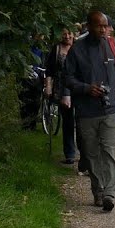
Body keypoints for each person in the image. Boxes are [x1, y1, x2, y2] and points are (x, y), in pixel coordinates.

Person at [62, 11, 115, 212]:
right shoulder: (77, 50)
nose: (103, 30)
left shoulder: (113, 46)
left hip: (109, 109)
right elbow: (67, 78)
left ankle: (110, 193)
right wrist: (86, 88)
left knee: (109, 150)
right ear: (89, 26)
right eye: (99, 26)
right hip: (86, 111)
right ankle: (98, 190)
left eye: (105, 26)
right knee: (91, 154)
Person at [44, 27, 78, 164]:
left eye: (69, 33)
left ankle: (85, 155)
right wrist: (48, 87)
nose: (67, 36)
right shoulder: (56, 49)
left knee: (82, 122)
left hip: (79, 88)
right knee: (68, 121)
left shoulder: (79, 47)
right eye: (64, 33)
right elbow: (49, 70)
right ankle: (70, 153)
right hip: (61, 88)